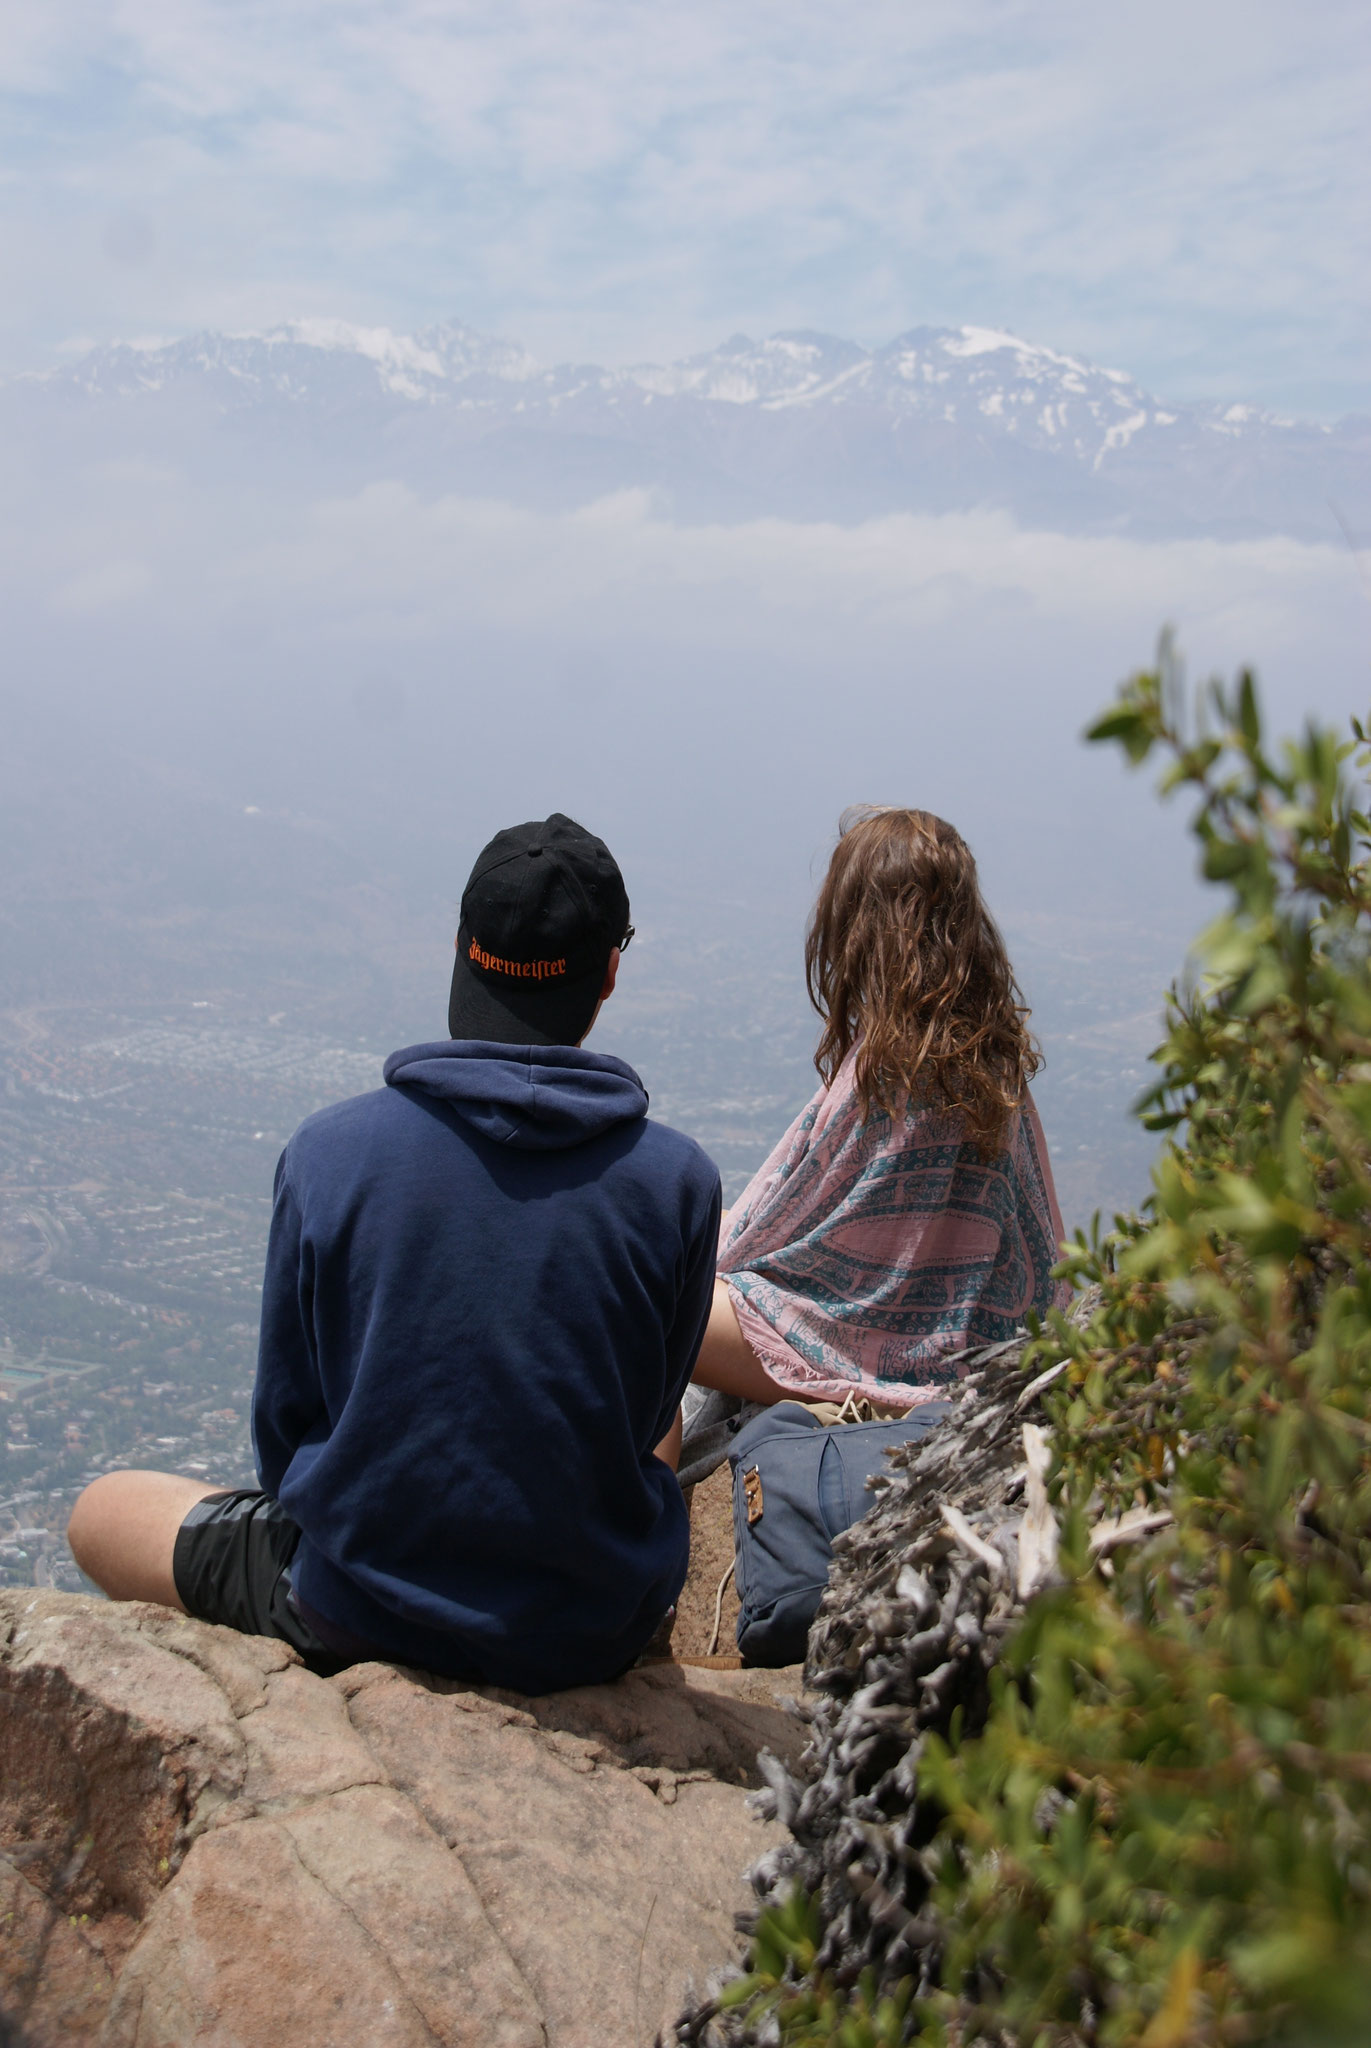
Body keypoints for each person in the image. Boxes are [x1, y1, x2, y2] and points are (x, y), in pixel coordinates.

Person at [68, 815, 721, 1693]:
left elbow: (285, 1433)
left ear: (459, 947)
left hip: (356, 1611)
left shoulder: (328, 1151)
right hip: (585, 1634)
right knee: (667, 1421)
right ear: (608, 971)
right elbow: (643, 1420)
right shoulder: (676, 1180)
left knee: (98, 1511)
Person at [685, 805, 1066, 1452]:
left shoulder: (885, 1072)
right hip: (975, 1354)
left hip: (850, 1355)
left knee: (655, 1303)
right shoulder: (995, 1062)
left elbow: (776, 1236)